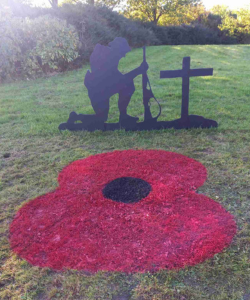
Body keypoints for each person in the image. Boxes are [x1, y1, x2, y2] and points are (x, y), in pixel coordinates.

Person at [84, 37, 148, 125]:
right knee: (101, 118)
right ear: (118, 49)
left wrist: (139, 70)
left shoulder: (110, 57)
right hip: (98, 91)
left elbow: (119, 79)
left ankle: (123, 116)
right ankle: (76, 117)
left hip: (102, 88)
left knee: (128, 85)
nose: (124, 55)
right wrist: (139, 70)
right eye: (123, 52)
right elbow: (119, 80)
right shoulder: (107, 58)